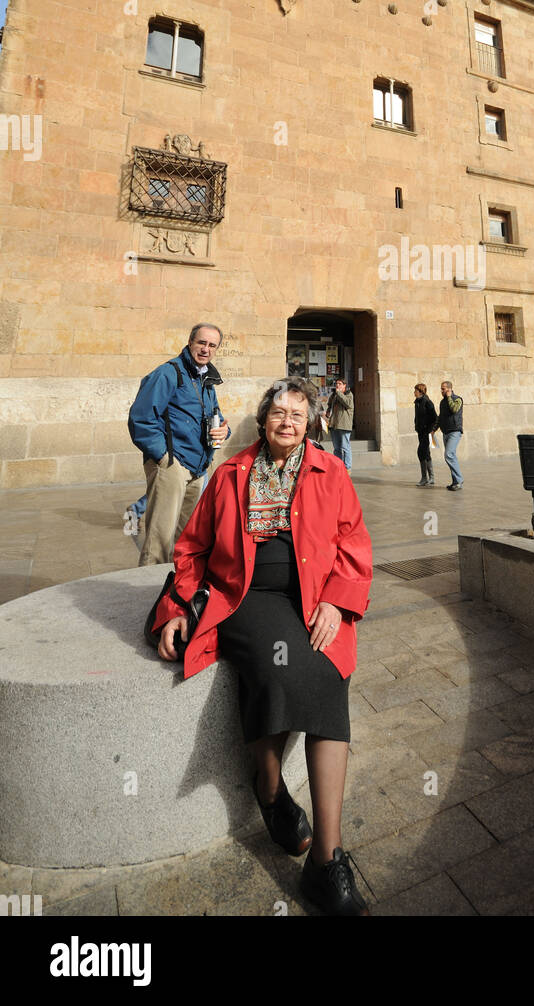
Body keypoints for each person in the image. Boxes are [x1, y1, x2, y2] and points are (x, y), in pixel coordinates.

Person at [152, 377, 373, 916]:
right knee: (278, 670)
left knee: (327, 672)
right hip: (245, 595)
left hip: (313, 597)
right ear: (263, 418)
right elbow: (191, 548)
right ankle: (271, 790)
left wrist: (338, 603)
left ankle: (327, 860)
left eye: (299, 413)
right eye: (279, 411)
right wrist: (179, 606)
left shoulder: (331, 471)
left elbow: (353, 542)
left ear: (311, 422)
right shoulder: (230, 474)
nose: (288, 421)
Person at [128, 324, 231, 566]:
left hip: (198, 468)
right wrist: (164, 457)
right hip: (173, 464)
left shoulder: (207, 380)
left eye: (212, 345)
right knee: (159, 541)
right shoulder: (168, 373)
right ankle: (148, 594)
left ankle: (176, 591)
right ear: (190, 342)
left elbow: (216, 417)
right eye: (202, 343)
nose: (206, 349)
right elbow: (141, 419)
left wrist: (225, 431)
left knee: (187, 539)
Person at [438, 381, 464, 490]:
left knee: (448, 454)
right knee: (451, 455)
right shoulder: (442, 402)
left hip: (455, 431)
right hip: (446, 432)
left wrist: (449, 397)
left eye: (443, 389)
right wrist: (434, 429)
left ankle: (459, 480)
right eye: (441, 389)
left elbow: (454, 409)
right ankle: (455, 482)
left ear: (449, 389)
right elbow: (440, 417)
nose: (442, 391)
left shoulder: (458, 399)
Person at [326, 379, 354, 473]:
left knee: (345, 447)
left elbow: (348, 403)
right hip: (334, 424)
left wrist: (339, 393)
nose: (337, 385)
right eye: (336, 383)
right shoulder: (334, 395)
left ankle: (347, 468)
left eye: (340, 384)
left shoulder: (348, 394)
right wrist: (328, 411)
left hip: (344, 425)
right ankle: (338, 466)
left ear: (344, 385)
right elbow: (329, 405)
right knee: (337, 448)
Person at [413, 384, 439, 487]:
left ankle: (425, 478)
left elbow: (435, 418)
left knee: (420, 452)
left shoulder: (428, 402)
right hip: (420, 431)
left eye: (415, 390)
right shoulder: (417, 402)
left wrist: (432, 430)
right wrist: (416, 424)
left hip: (427, 432)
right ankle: (430, 478)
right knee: (426, 453)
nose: (414, 392)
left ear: (420, 391)